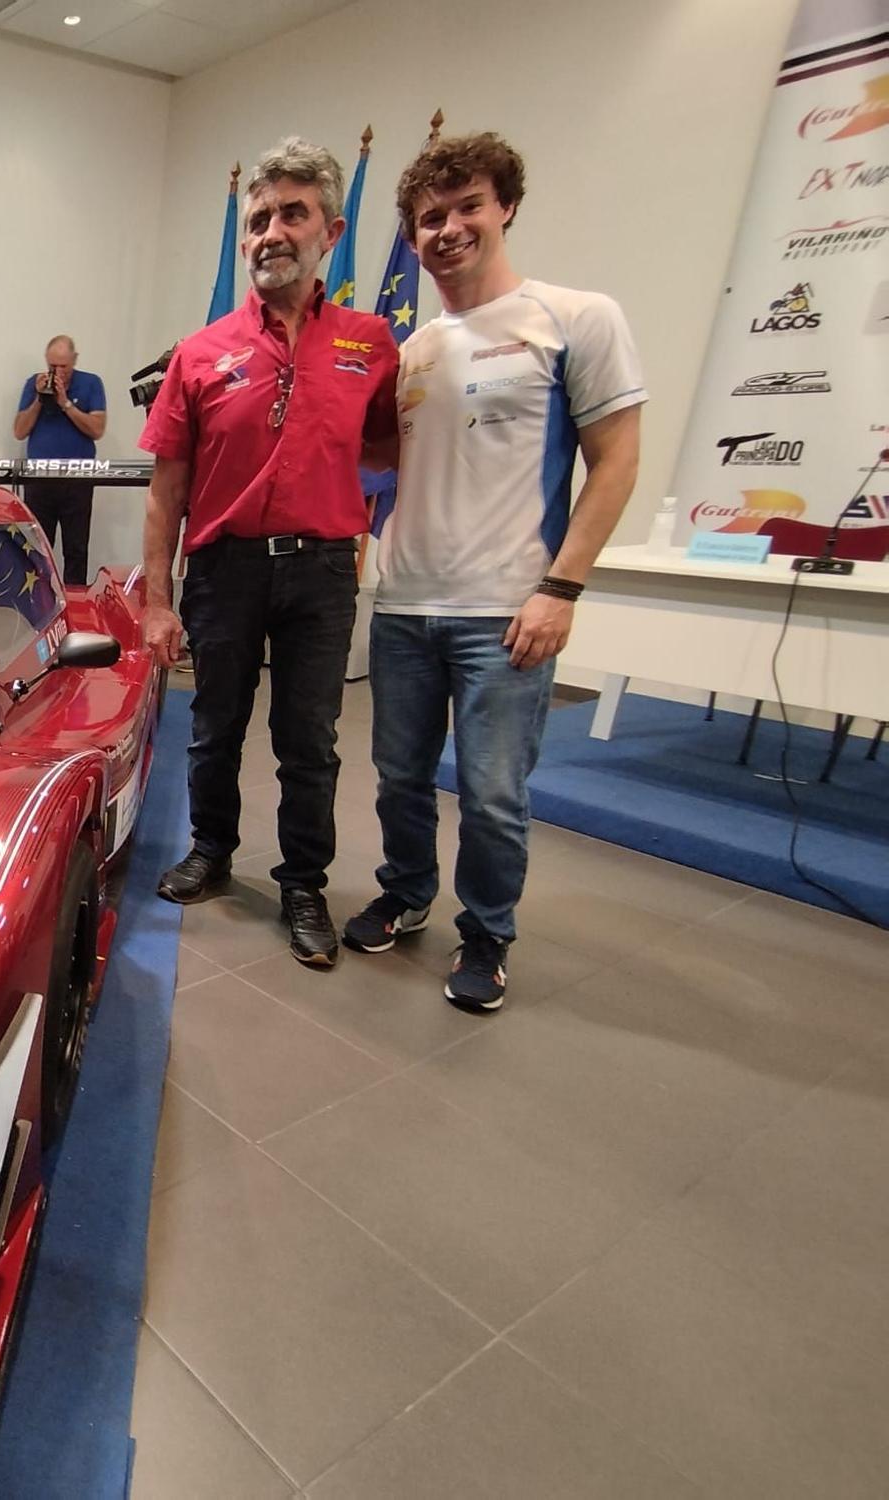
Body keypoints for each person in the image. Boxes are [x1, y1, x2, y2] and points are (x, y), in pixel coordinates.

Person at [343, 133, 645, 1013]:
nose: (448, 229)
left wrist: (561, 589)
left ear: (505, 205)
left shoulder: (575, 318)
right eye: (430, 217)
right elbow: (369, 460)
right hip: (402, 603)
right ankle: (405, 893)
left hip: (506, 610)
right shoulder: (412, 350)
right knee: (398, 777)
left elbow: (616, 462)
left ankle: (486, 935)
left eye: (467, 206)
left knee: (492, 793)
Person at [138, 137, 399, 968]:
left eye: (292, 213)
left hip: (322, 572)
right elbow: (165, 492)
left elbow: (391, 451)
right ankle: (211, 849)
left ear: (332, 227)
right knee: (213, 728)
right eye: (258, 219)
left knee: (308, 741)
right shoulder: (201, 353)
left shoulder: (370, 344)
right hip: (226, 569)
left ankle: (303, 885)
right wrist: (155, 599)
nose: (270, 232)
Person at [11, 335, 107, 585]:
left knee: (76, 548)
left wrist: (65, 403)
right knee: (37, 548)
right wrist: (39, 400)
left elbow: (97, 429)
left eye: (63, 366)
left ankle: (75, 602)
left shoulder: (91, 383)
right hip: (40, 479)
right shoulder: (34, 384)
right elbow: (19, 431)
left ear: (74, 361)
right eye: (52, 366)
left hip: (78, 479)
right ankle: (40, 601)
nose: (58, 372)